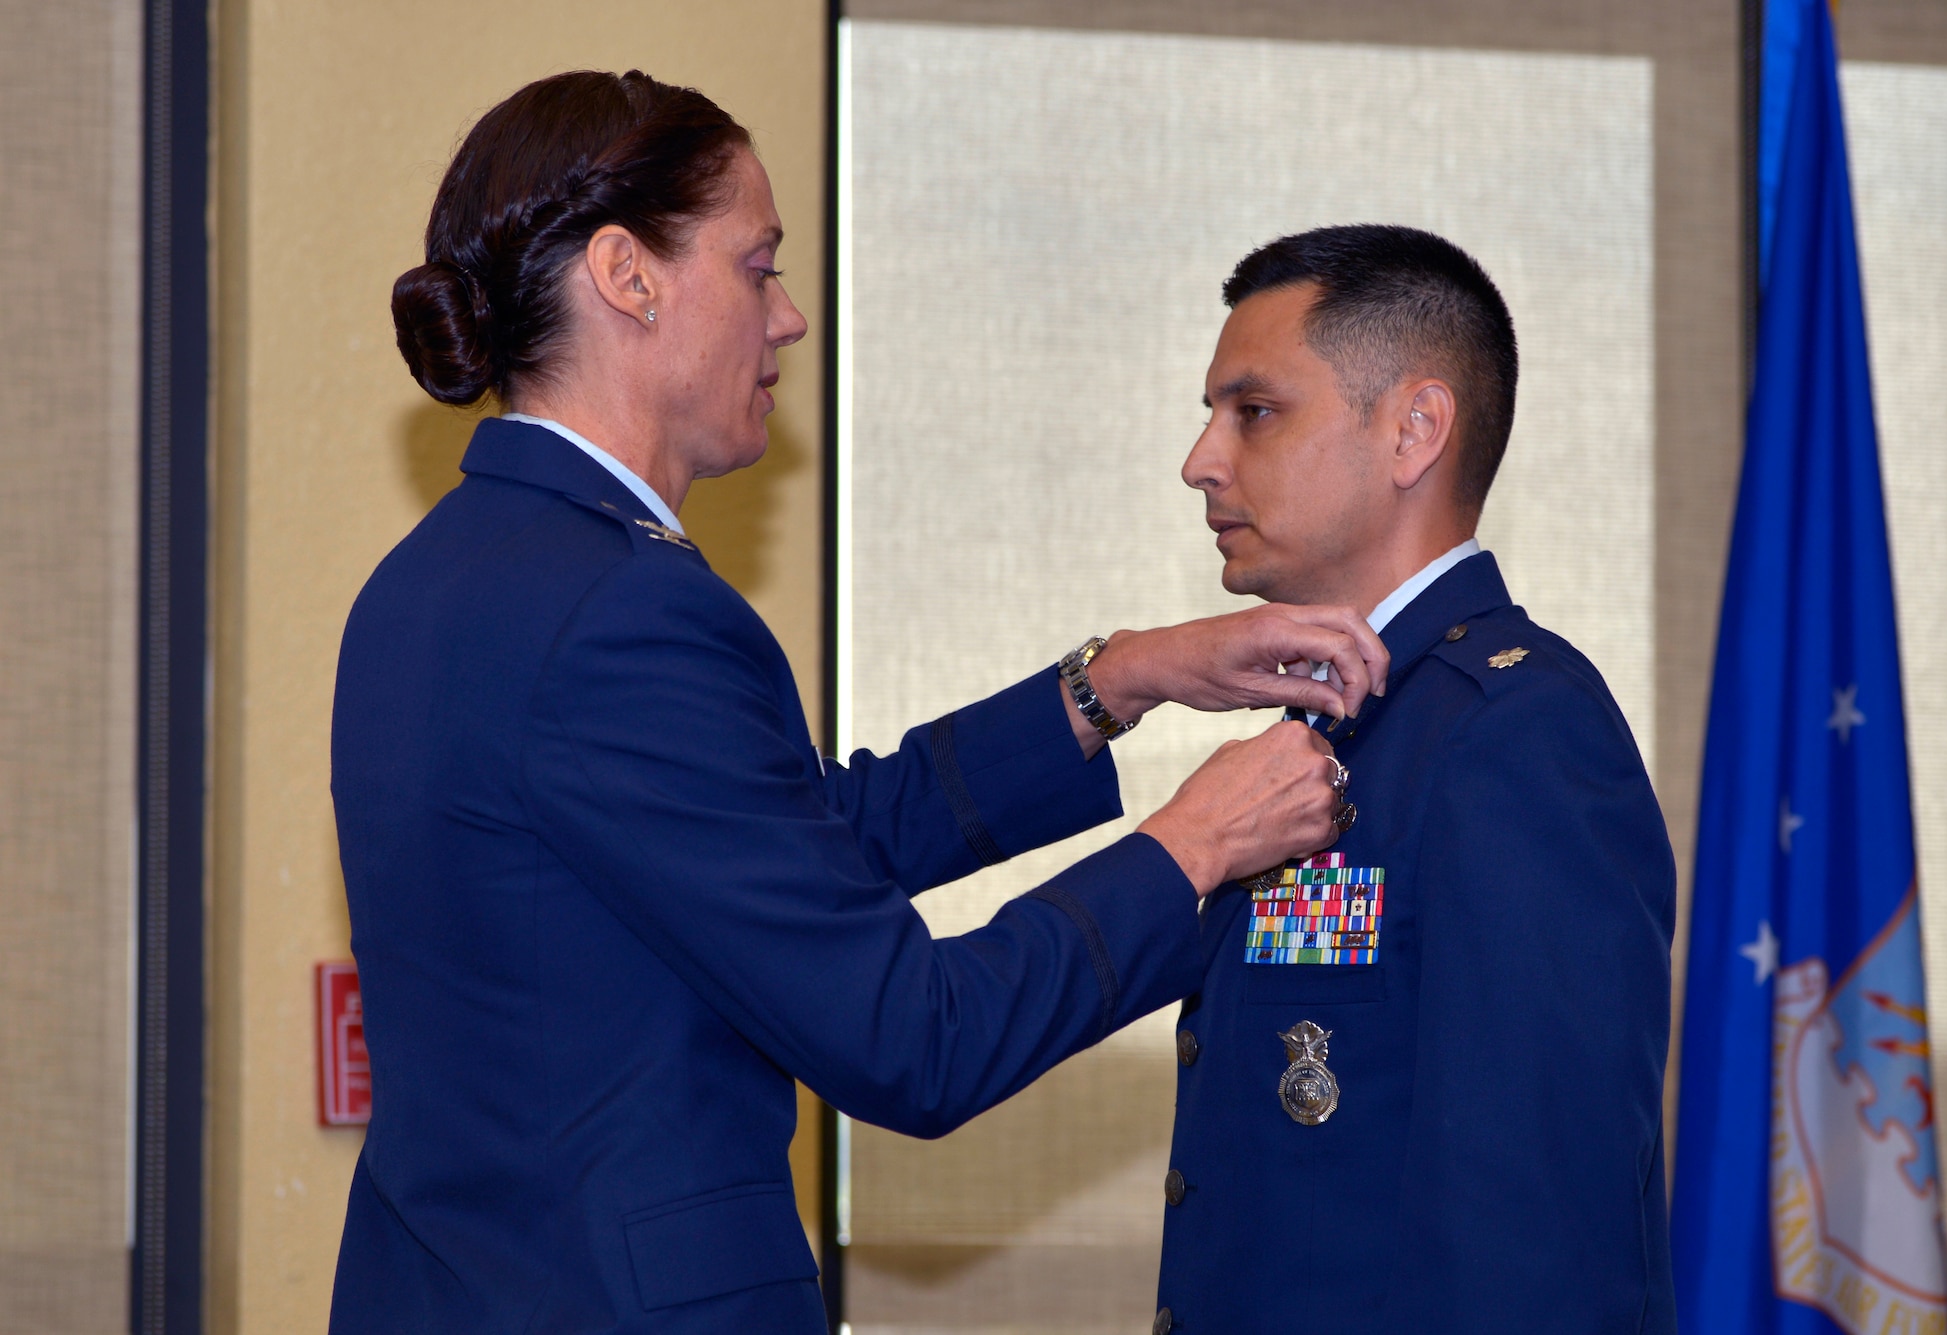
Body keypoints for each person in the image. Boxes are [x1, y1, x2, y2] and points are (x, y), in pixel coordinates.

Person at [330, 72, 1388, 1335]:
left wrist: (1115, 681)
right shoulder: (620, 607)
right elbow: (911, 1041)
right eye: (757, 265)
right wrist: (1191, 847)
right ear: (629, 277)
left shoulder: (435, 579)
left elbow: (786, 852)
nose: (787, 319)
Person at [1153, 226, 1676, 1333]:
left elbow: (1535, 1239)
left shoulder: (1515, 736)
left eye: (1252, 411)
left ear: (1412, 431)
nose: (1200, 458)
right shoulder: (1341, 721)